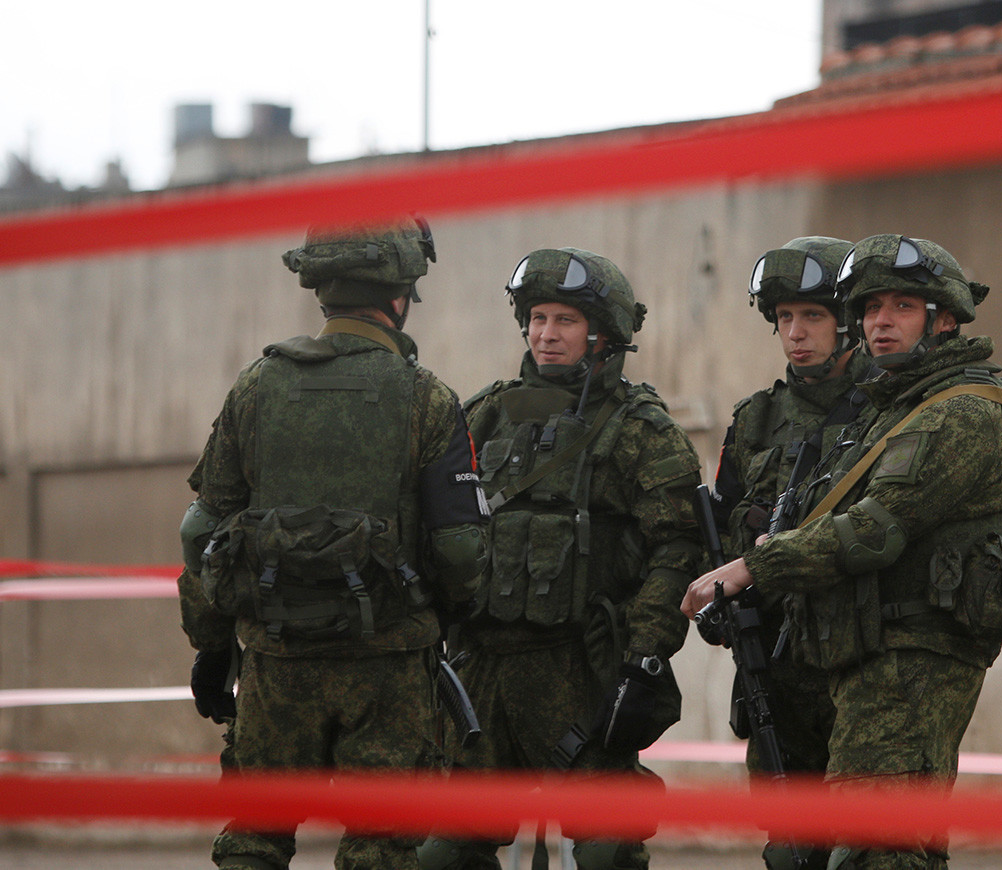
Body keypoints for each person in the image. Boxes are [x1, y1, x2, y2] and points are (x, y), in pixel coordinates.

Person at [683, 234, 1002, 870]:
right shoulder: (892, 410)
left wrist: (753, 566)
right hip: (853, 654)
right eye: (872, 307)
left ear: (945, 318)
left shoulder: (959, 413)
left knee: (881, 851)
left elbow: (873, 529)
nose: (880, 321)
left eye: (902, 307)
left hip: (910, 658)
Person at [178, 217, 489, 870]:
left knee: (255, 835)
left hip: (275, 659)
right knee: (381, 842)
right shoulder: (426, 399)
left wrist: (212, 645)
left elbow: (201, 533)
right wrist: (442, 626)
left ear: (321, 290)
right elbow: (462, 553)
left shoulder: (257, 388)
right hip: (390, 667)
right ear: (400, 295)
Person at [419, 248, 704, 870]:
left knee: (606, 849)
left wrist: (644, 655)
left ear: (604, 335)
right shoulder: (484, 415)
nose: (546, 334)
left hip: (581, 668)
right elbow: (437, 528)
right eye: (538, 317)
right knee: (444, 851)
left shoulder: (641, 429)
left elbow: (678, 548)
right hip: (481, 669)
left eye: (566, 321)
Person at [708, 236, 876, 870]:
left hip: (860, 651)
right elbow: (720, 527)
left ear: (847, 321)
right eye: (784, 319)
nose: (797, 333)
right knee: (790, 845)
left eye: (812, 316)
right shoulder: (754, 421)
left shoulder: (887, 408)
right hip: (776, 657)